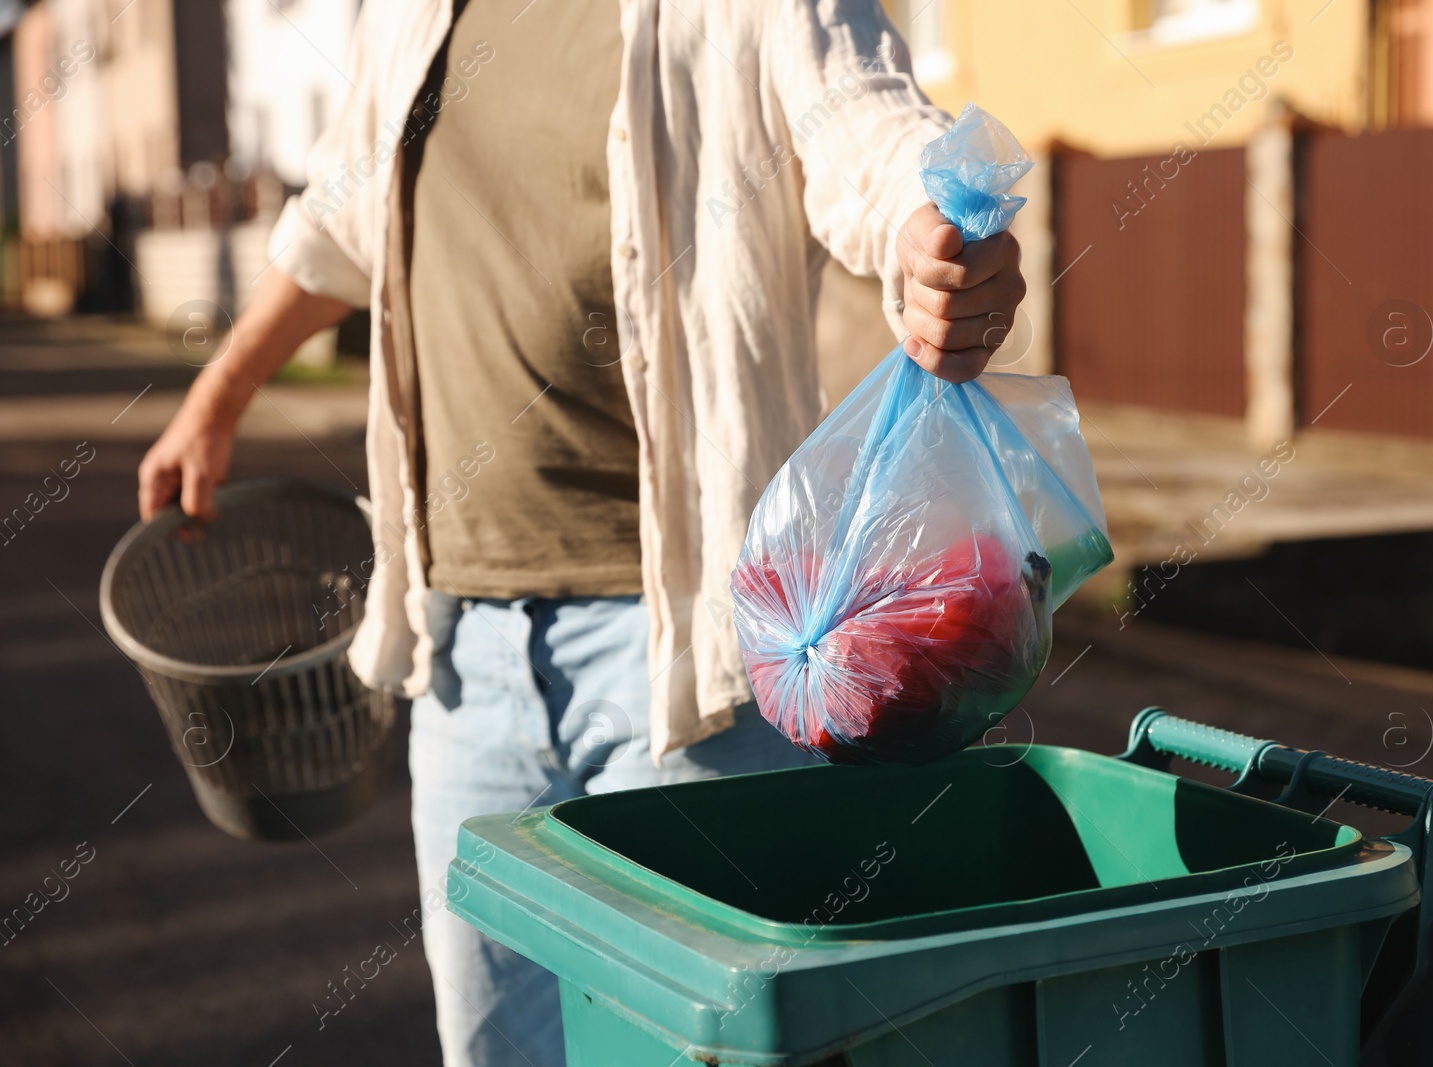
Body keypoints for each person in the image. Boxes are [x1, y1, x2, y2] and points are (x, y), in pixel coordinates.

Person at [138, 1, 1026, 1063]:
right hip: (462, 656)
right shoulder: (418, 13)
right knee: (494, 1049)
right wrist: (219, 391)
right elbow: (337, 215)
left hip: (688, 677)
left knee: (702, 1050)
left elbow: (863, 125)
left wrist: (930, 236)